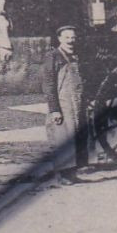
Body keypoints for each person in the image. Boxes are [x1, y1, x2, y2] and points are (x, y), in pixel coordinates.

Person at [43, 25, 88, 184]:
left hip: (75, 102)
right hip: (63, 104)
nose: (71, 41)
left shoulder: (75, 56)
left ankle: (72, 174)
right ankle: (62, 176)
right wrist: (55, 110)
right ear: (60, 39)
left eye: (73, 38)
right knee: (62, 138)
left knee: (75, 137)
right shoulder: (53, 56)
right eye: (67, 37)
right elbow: (48, 84)